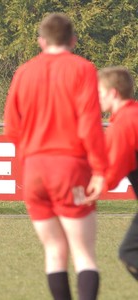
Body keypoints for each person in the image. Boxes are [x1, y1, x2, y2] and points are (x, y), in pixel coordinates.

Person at [3, 13, 108, 300]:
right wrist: (99, 169)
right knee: (83, 254)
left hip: (35, 169)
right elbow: (89, 124)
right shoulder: (82, 68)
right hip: (70, 167)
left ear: (41, 41)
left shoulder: (24, 71)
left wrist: (32, 156)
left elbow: (11, 128)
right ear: (73, 39)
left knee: (53, 252)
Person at [97, 66, 138, 281]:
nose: (97, 98)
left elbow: (111, 177)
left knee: (130, 253)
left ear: (113, 93)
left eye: (99, 93)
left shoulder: (123, 123)